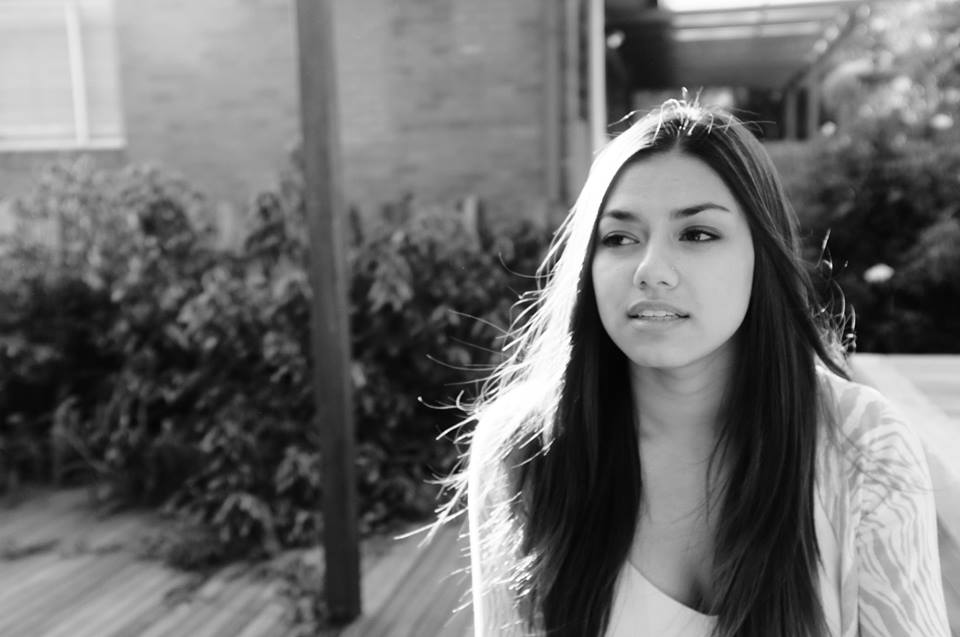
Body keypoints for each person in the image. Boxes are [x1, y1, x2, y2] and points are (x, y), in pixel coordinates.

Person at [436, 99, 950, 637]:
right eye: (619, 238)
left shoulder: (862, 443)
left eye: (698, 234)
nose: (651, 270)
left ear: (762, 255)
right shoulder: (523, 449)